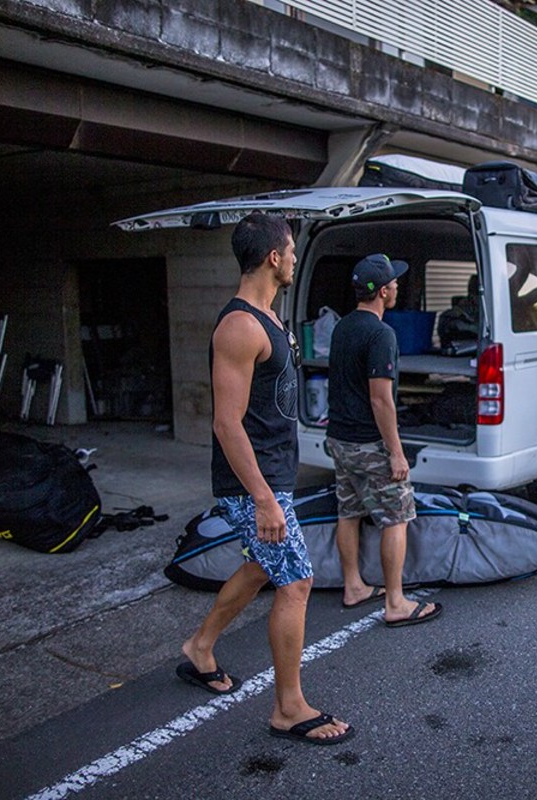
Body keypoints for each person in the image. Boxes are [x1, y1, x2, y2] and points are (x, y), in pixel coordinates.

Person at [177, 213, 353, 746]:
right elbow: (225, 423)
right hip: (251, 486)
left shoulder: (271, 320)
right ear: (274, 257)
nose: (297, 259)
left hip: (274, 476)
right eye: (293, 251)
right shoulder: (239, 326)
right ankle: (288, 707)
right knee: (296, 581)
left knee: (260, 566)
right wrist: (262, 498)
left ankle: (200, 647)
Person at [327, 254, 443, 628]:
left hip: (340, 440)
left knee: (349, 511)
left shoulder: (344, 326)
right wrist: (396, 452)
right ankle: (396, 603)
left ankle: (354, 586)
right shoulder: (381, 334)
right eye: (392, 282)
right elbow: (381, 399)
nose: (397, 286)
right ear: (382, 292)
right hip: (368, 444)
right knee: (397, 517)